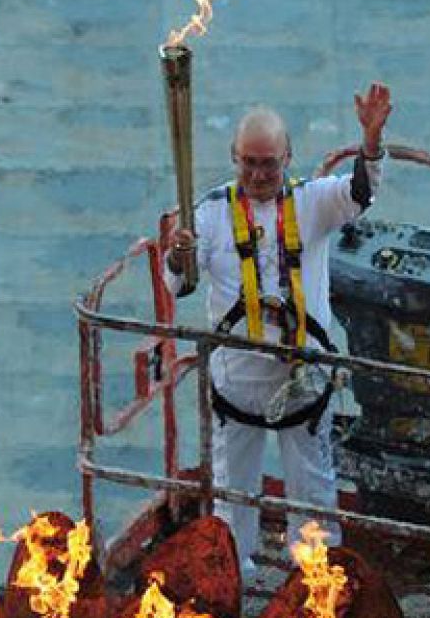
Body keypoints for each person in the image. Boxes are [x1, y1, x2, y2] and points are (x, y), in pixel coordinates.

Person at [165, 84, 393, 577]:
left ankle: (316, 584)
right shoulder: (208, 214)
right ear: (234, 158)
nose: (258, 174)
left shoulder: (314, 203)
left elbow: (361, 193)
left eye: (269, 163)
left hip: (302, 381)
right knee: (231, 491)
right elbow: (182, 281)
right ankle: (231, 577)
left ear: (288, 157)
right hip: (238, 379)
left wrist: (370, 142)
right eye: (248, 162)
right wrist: (177, 255)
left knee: (313, 487)